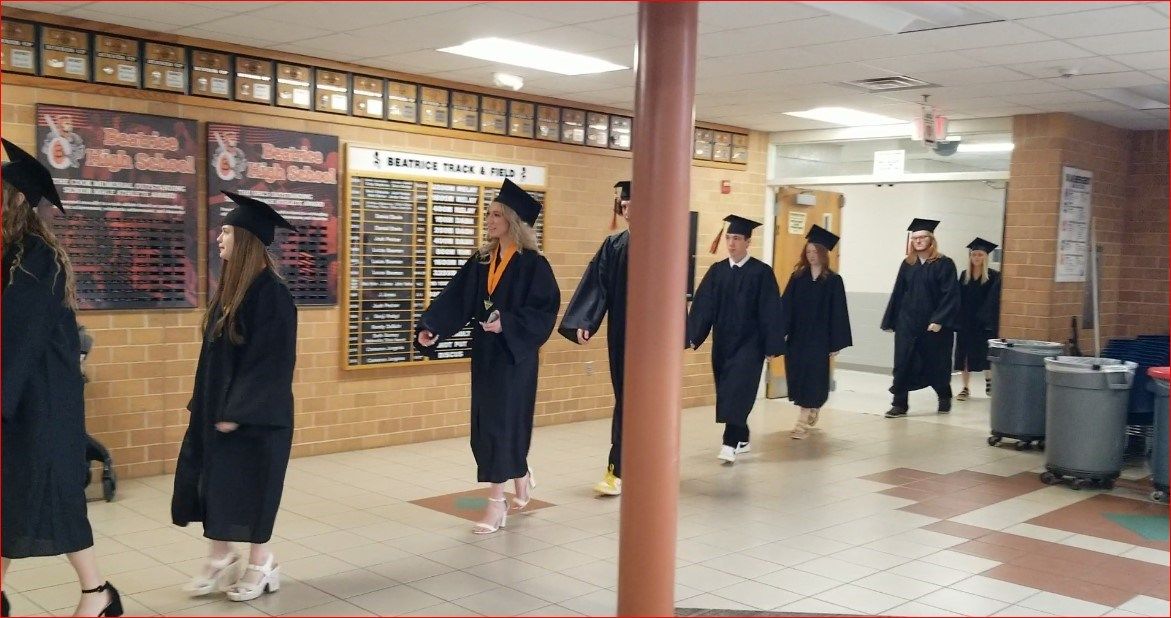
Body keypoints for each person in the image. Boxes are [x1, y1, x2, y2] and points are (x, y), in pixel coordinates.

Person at [1, 138, 123, 617]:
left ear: (16, 202)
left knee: (49, 498)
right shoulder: (13, 254)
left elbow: (17, 340)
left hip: (40, 406)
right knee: (16, 501)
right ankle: (96, 594)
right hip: (24, 400)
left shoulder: (36, 257)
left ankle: (97, 593)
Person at [172, 191, 298, 602]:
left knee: (254, 489)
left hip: (256, 419)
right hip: (219, 411)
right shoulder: (229, 292)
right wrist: (204, 406)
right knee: (217, 486)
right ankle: (220, 556)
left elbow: (272, 364)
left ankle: (262, 563)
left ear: (244, 240)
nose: (219, 239)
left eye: (226, 231)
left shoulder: (273, 295)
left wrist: (237, 411)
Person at [415, 179, 560, 534]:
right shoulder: (481, 261)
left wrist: (506, 323)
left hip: (515, 359)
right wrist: (432, 326)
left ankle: (497, 504)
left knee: (502, 425)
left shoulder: (533, 265)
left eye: (496, 214)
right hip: (486, 357)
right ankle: (521, 473)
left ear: (512, 220)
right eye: (489, 213)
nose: (489, 219)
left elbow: (544, 311)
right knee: (486, 427)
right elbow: (456, 297)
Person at [687, 215, 785, 463]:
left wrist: (772, 344)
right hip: (723, 343)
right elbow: (703, 307)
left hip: (750, 344)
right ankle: (742, 436)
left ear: (748, 241)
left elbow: (770, 309)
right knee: (727, 390)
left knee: (738, 390)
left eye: (737, 238)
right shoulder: (717, 271)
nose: (731, 243)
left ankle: (729, 442)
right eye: (729, 238)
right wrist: (692, 335)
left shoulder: (761, 273)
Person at [558, 180, 631, 496]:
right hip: (622, 336)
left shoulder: (663, 244)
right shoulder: (615, 246)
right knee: (626, 401)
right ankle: (618, 469)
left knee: (649, 405)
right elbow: (598, 284)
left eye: (632, 204)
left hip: (655, 343)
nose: (627, 210)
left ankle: (642, 467)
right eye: (624, 205)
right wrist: (584, 321)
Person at [881, 218, 960, 418]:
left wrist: (939, 320)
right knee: (903, 362)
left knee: (936, 363)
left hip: (933, 326)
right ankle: (899, 404)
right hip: (907, 323)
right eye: (914, 238)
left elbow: (950, 294)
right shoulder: (908, 264)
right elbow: (898, 292)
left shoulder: (944, 264)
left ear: (931, 240)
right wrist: (891, 321)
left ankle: (944, 396)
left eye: (922, 237)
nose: (918, 241)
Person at [781, 225, 852, 439]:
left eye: (815, 252)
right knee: (798, 374)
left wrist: (835, 343)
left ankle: (801, 423)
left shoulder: (833, 281)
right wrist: (781, 331)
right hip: (797, 337)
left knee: (814, 376)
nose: (811, 256)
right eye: (808, 252)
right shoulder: (798, 277)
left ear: (823, 253)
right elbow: (786, 306)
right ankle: (811, 407)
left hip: (819, 339)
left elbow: (838, 312)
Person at [954, 237, 1001, 401]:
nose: (976, 258)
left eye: (980, 255)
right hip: (966, 322)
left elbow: (993, 301)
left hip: (985, 323)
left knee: (985, 353)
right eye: (974, 255)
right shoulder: (964, 275)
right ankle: (965, 388)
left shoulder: (994, 276)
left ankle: (989, 381)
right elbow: (958, 298)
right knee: (964, 355)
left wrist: (986, 319)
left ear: (986, 257)